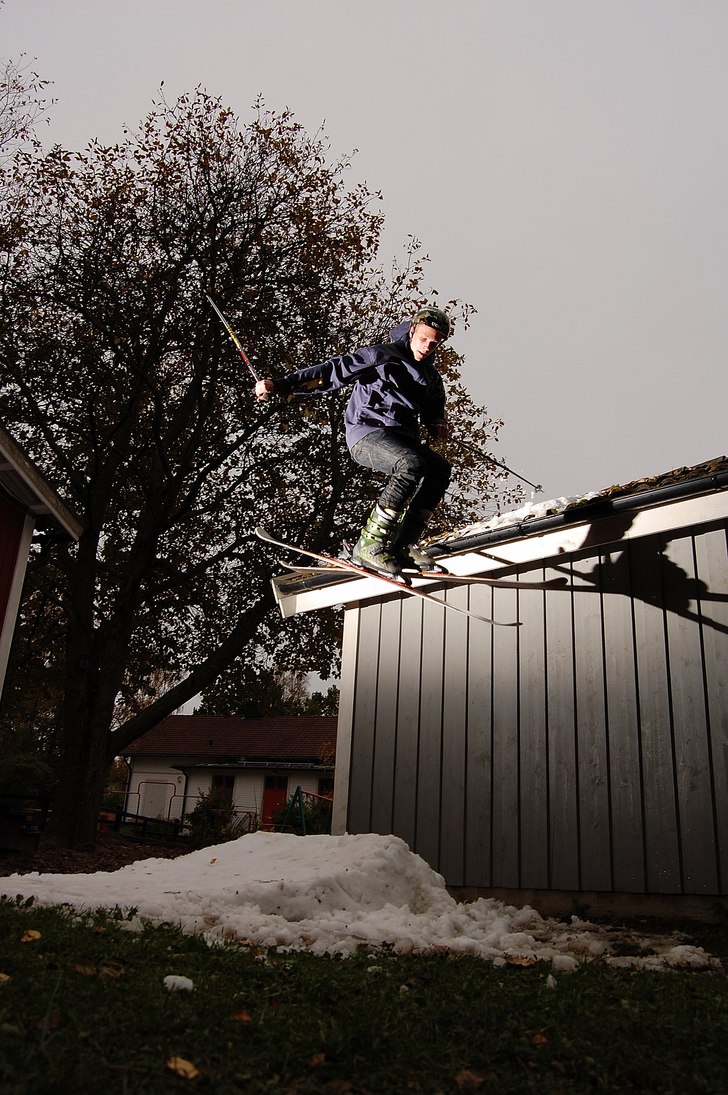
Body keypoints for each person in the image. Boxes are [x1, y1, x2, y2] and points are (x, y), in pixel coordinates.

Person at [255, 306, 453, 575]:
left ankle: (404, 545)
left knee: (439, 469)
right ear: (412, 331)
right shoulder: (380, 355)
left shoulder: (431, 377)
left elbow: (434, 408)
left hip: (401, 438)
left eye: (434, 342)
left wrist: (437, 423)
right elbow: (331, 372)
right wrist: (280, 384)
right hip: (367, 433)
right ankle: (369, 544)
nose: (427, 346)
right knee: (411, 463)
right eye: (423, 338)